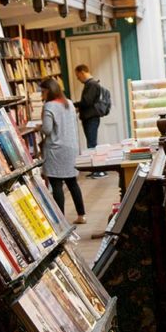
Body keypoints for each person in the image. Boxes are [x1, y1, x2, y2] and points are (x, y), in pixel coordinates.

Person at [40, 78, 87, 224]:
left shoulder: (49, 106)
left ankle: (61, 221)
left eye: (42, 92)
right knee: (72, 182)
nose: (41, 95)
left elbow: (47, 129)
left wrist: (38, 128)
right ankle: (81, 215)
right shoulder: (69, 103)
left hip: (56, 150)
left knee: (56, 184)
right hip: (71, 148)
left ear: (48, 91)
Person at [73, 64, 107, 178]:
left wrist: (73, 104)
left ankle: (98, 170)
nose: (78, 79)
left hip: (91, 117)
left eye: (78, 76)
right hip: (89, 117)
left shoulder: (91, 84)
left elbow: (87, 101)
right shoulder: (91, 84)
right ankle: (96, 169)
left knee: (92, 144)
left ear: (82, 72)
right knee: (92, 143)